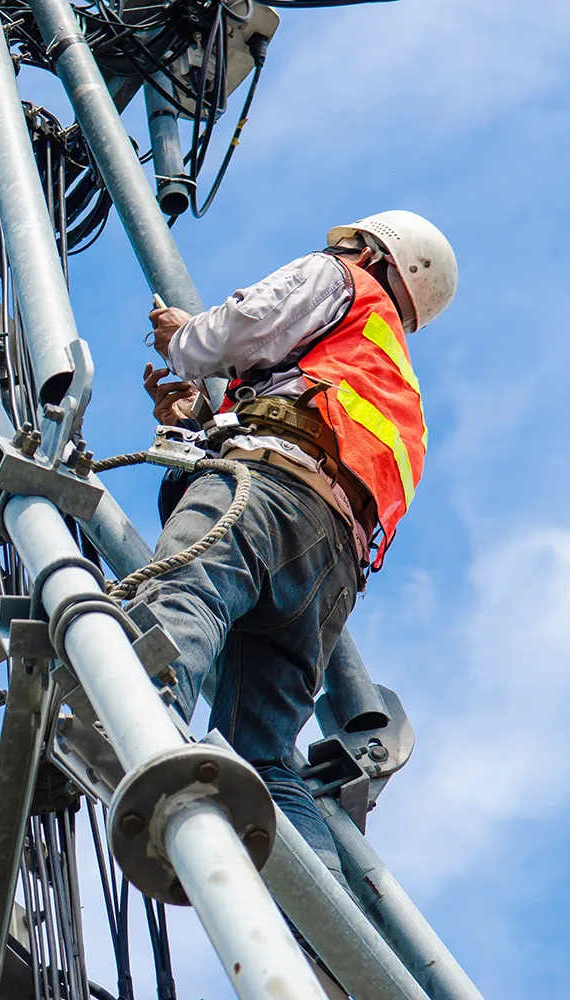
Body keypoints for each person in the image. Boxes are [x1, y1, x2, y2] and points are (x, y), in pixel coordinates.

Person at [133, 210, 457, 884]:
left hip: (269, 496)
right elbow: (312, 415)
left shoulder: (344, 281)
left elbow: (249, 323)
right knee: (266, 758)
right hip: (329, 565)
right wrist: (202, 417)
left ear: (373, 251)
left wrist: (184, 339)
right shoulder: (393, 379)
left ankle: (134, 726)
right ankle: (330, 941)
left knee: (182, 596)